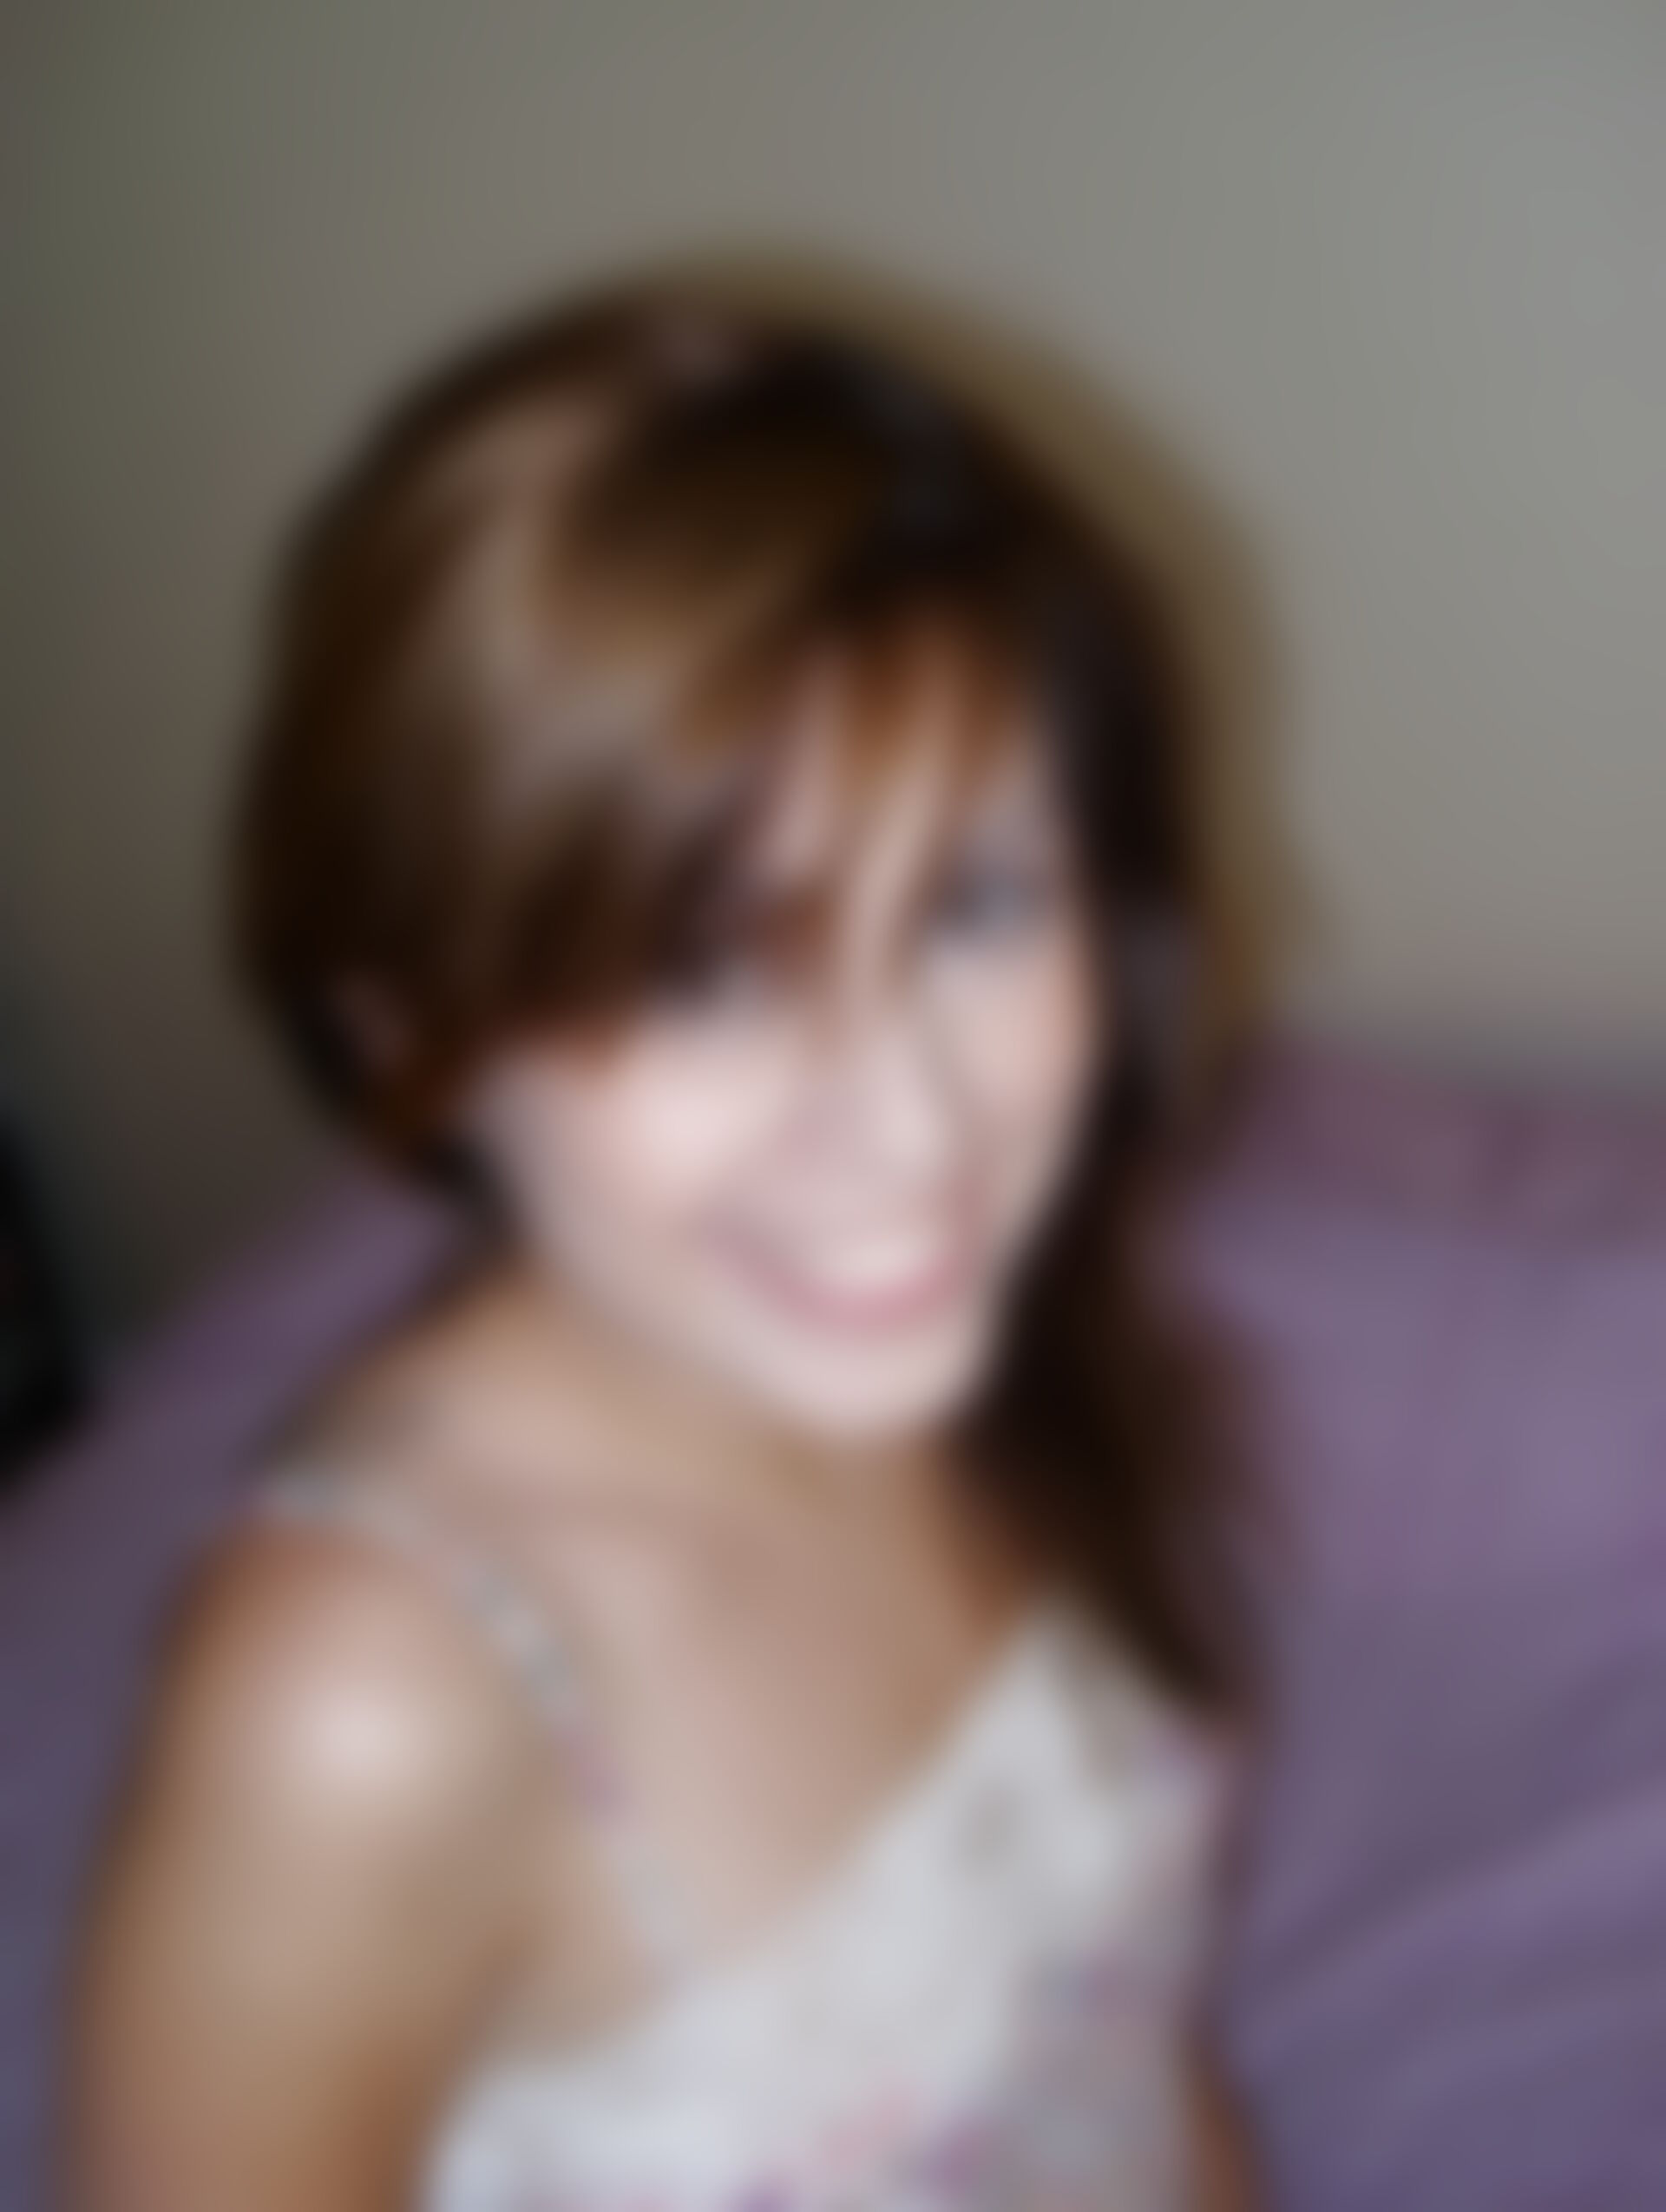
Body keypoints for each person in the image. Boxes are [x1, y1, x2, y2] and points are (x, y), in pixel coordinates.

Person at [67, 280, 1261, 2209]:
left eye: (973, 905)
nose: (913, 1131)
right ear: (410, 1031)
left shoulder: (955, 1346)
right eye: (704, 971)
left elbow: (1124, 2048)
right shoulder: (361, 1703)